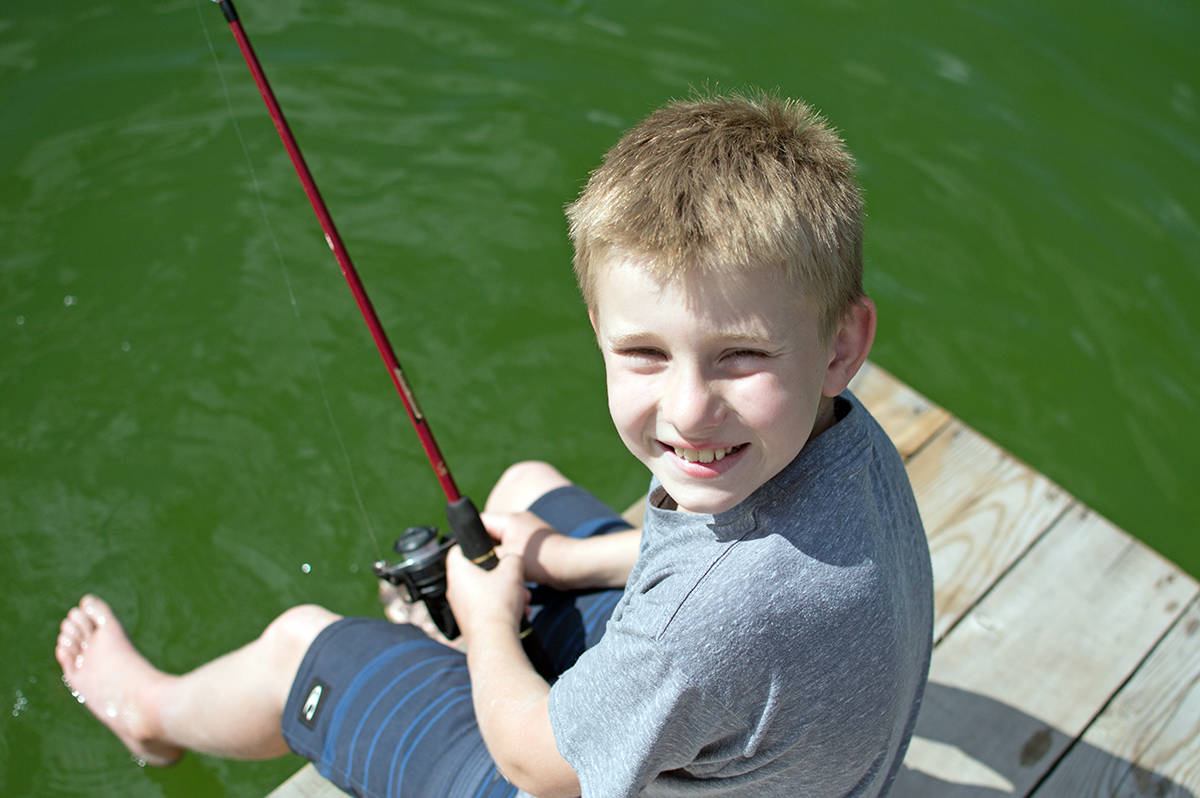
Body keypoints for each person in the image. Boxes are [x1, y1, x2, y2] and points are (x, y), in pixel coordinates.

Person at [56, 91, 933, 798]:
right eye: (643, 354)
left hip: (553, 769)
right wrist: (562, 560)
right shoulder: (845, 438)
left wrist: (482, 628)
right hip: (789, 736)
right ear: (599, 329)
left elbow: (538, 767)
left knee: (299, 642)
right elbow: (745, 585)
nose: (689, 408)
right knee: (525, 491)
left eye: (740, 356)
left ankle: (149, 712)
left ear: (841, 344)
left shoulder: (693, 629)